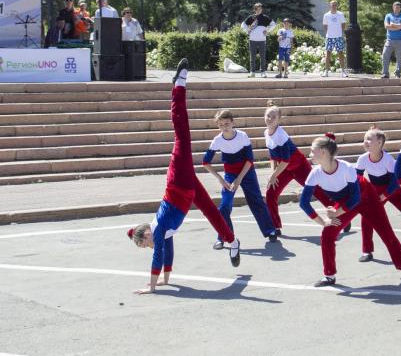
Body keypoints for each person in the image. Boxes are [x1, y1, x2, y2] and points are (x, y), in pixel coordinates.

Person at [127, 59, 241, 294]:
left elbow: (157, 257)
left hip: (178, 182)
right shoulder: (162, 233)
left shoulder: (158, 231)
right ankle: (233, 241)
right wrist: (166, 280)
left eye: (143, 244)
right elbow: (167, 253)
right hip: (185, 190)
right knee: (211, 211)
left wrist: (151, 287)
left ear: (146, 234)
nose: (148, 247)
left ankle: (179, 86)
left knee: (181, 134)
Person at [300, 133, 401, 287]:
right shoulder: (315, 173)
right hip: (345, 202)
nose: (309, 154)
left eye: (312, 151)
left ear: (324, 152)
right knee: (327, 234)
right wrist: (323, 222)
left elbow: (356, 198)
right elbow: (304, 203)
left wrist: (337, 213)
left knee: (385, 231)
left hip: (366, 197)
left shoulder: (346, 168)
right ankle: (329, 275)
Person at [202, 109, 278, 247]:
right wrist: (221, 179)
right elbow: (205, 162)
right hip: (229, 175)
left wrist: (239, 179)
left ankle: (270, 230)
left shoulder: (242, 136)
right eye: (221, 125)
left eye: (227, 123)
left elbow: (249, 160)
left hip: (247, 172)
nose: (224, 127)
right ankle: (224, 237)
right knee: (224, 205)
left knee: (255, 200)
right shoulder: (217, 140)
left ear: (232, 122)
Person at [263, 101, 332, 235]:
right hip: (285, 169)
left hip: (299, 166)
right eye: (268, 116)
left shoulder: (281, 135)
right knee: (270, 193)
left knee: (316, 191)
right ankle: (275, 227)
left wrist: (273, 176)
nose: (270, 119)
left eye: (273, 117)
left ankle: (338, 214)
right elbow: (273, 157)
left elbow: (285, 160)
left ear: (279, 119)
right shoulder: (266, 133)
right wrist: (274, 174)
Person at [354, 126, 401, 262]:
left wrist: (384, 195)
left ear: (379, 143)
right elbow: (357, 180)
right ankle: (367, 251)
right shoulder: (362, 159)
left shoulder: (388, 159)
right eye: (364, 139)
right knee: (366, 217)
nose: (365, 141)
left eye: (369, 139)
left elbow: (395, 181)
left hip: (393, 188)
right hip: (374, 189)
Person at [241, 3, 275, 78]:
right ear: (254, 10)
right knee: (252, 57)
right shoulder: (251, 17)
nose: (258, 10)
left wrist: (267, 31)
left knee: (262, 56)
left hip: (262, 40)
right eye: (257, 9)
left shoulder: (265, 17)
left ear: (261, 9)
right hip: (252, 39)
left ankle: (263, 72)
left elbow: (273, 24)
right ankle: (252, 72)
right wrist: (247, 30)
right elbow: (243, 24)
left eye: (260, 9)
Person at [381, 1, 401, 79]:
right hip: (389, 40)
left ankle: (397, 73)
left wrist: (393, 26)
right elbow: (386, 26)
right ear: (393, 7)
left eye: (398, 7)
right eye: (395, 7)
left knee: (399, 57)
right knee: (385, 55)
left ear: (400, 8)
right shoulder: (388, 16)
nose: (397, 9)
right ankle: (385, 73)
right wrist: (397, 26)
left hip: (400, 40)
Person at [322, 0, 348, 78]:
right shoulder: (326, 15)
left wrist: (341, 34)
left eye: (335, 5)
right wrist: (328, 33)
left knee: (340, 53)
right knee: (328, 54)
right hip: (329, 37)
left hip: (338, 37)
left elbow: (343, 24)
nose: (334, 6)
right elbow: (325, 25)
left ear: (337, 6)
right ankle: (326, 71)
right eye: (332, 5)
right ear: (330, 6)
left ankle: (343, 71)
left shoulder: (340, 14)